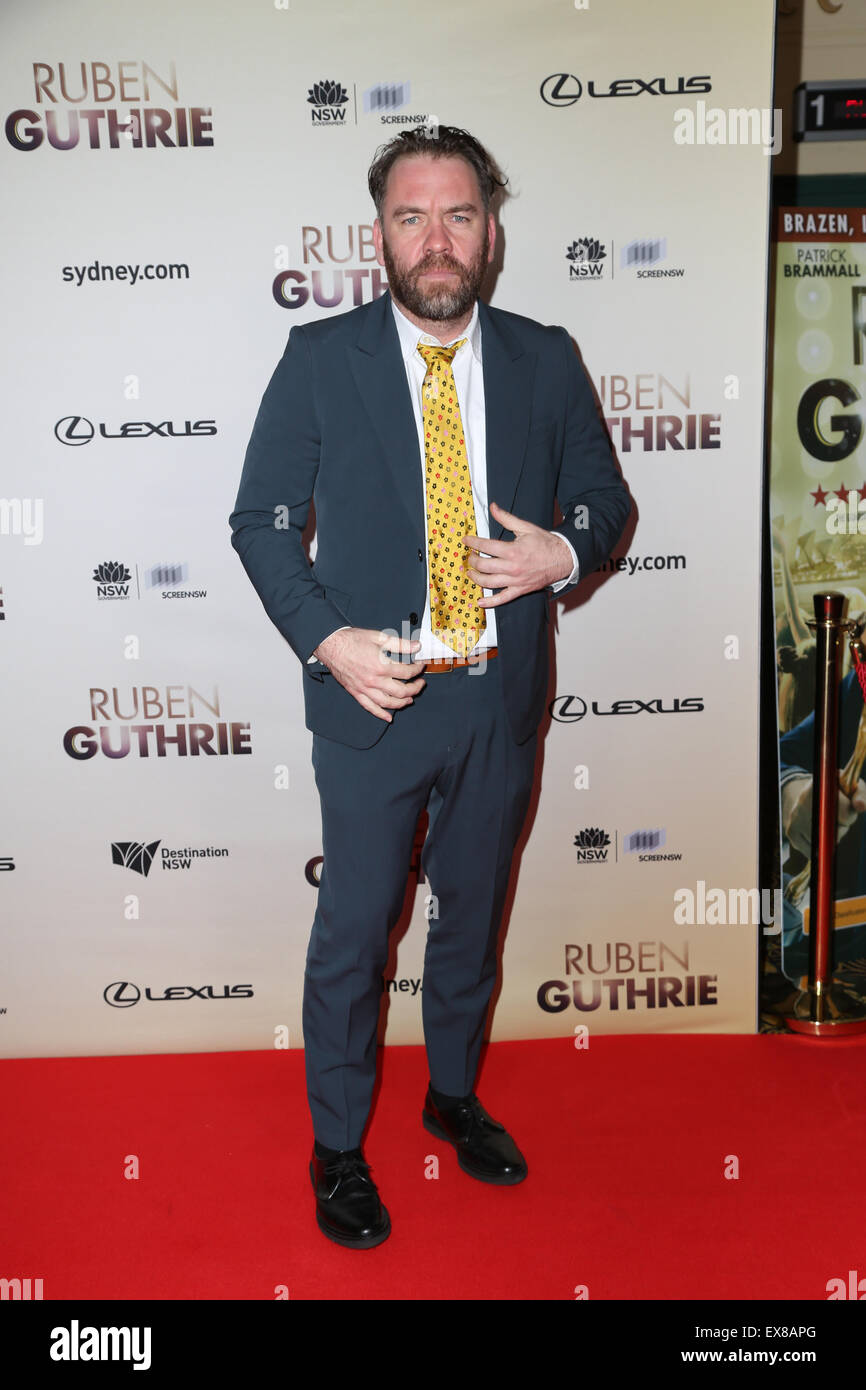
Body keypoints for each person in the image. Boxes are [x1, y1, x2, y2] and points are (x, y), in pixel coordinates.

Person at [229, 125, 630, 1249]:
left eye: (458, 215)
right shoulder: (319, 357)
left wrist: (562, 553)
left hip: (496, 702)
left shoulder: (544, 356)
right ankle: (337, 1146)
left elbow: (603, 501)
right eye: (412, 217)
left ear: (489, 232)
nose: (436, 239)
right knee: (355, 933)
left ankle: (450, 1094)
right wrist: (326, 643)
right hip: (372, 701)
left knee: (470, 918)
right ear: (380, 236)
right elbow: (258, 523)